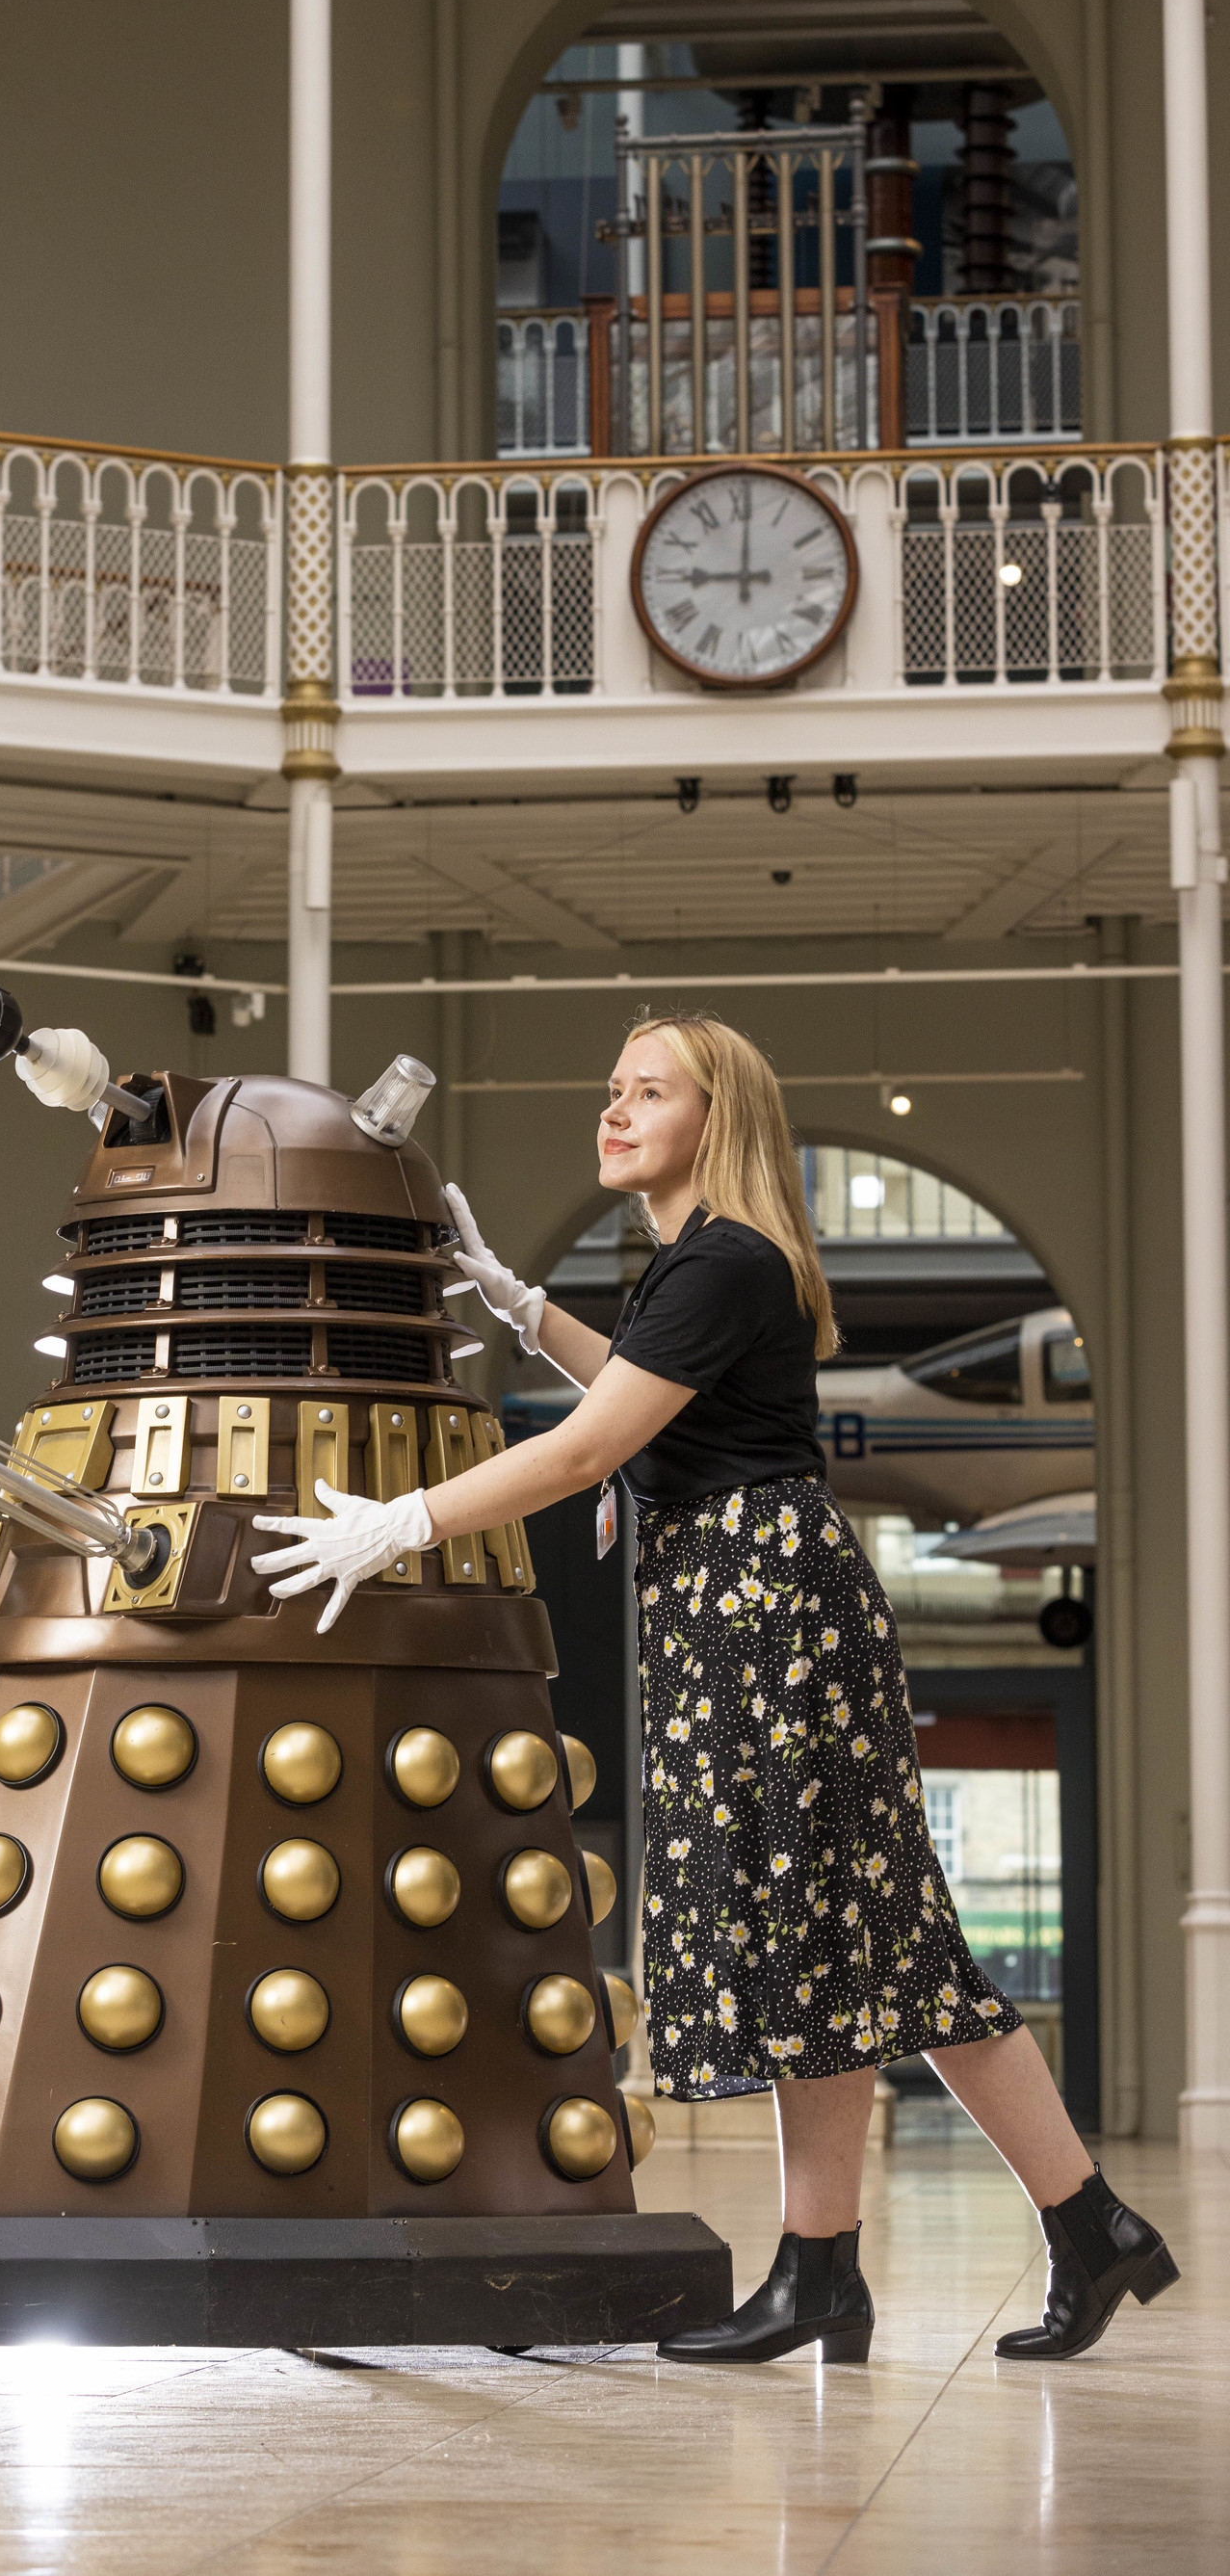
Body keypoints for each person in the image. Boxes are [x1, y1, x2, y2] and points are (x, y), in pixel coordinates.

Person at [251, 1011, 1178, 2366]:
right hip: (747, 1602)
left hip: (760, 1609)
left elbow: (590, 1452)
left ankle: (941, 2252)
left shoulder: (725, 1260)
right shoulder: (703, 1263)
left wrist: (403, 1523)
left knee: (849, 1941)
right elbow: (640, 1396)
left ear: (715, 1119)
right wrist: (519, 1301)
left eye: (647, 1093)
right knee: (848, 1946)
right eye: (609, 1090)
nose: (612, 1113)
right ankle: (935, 2255)